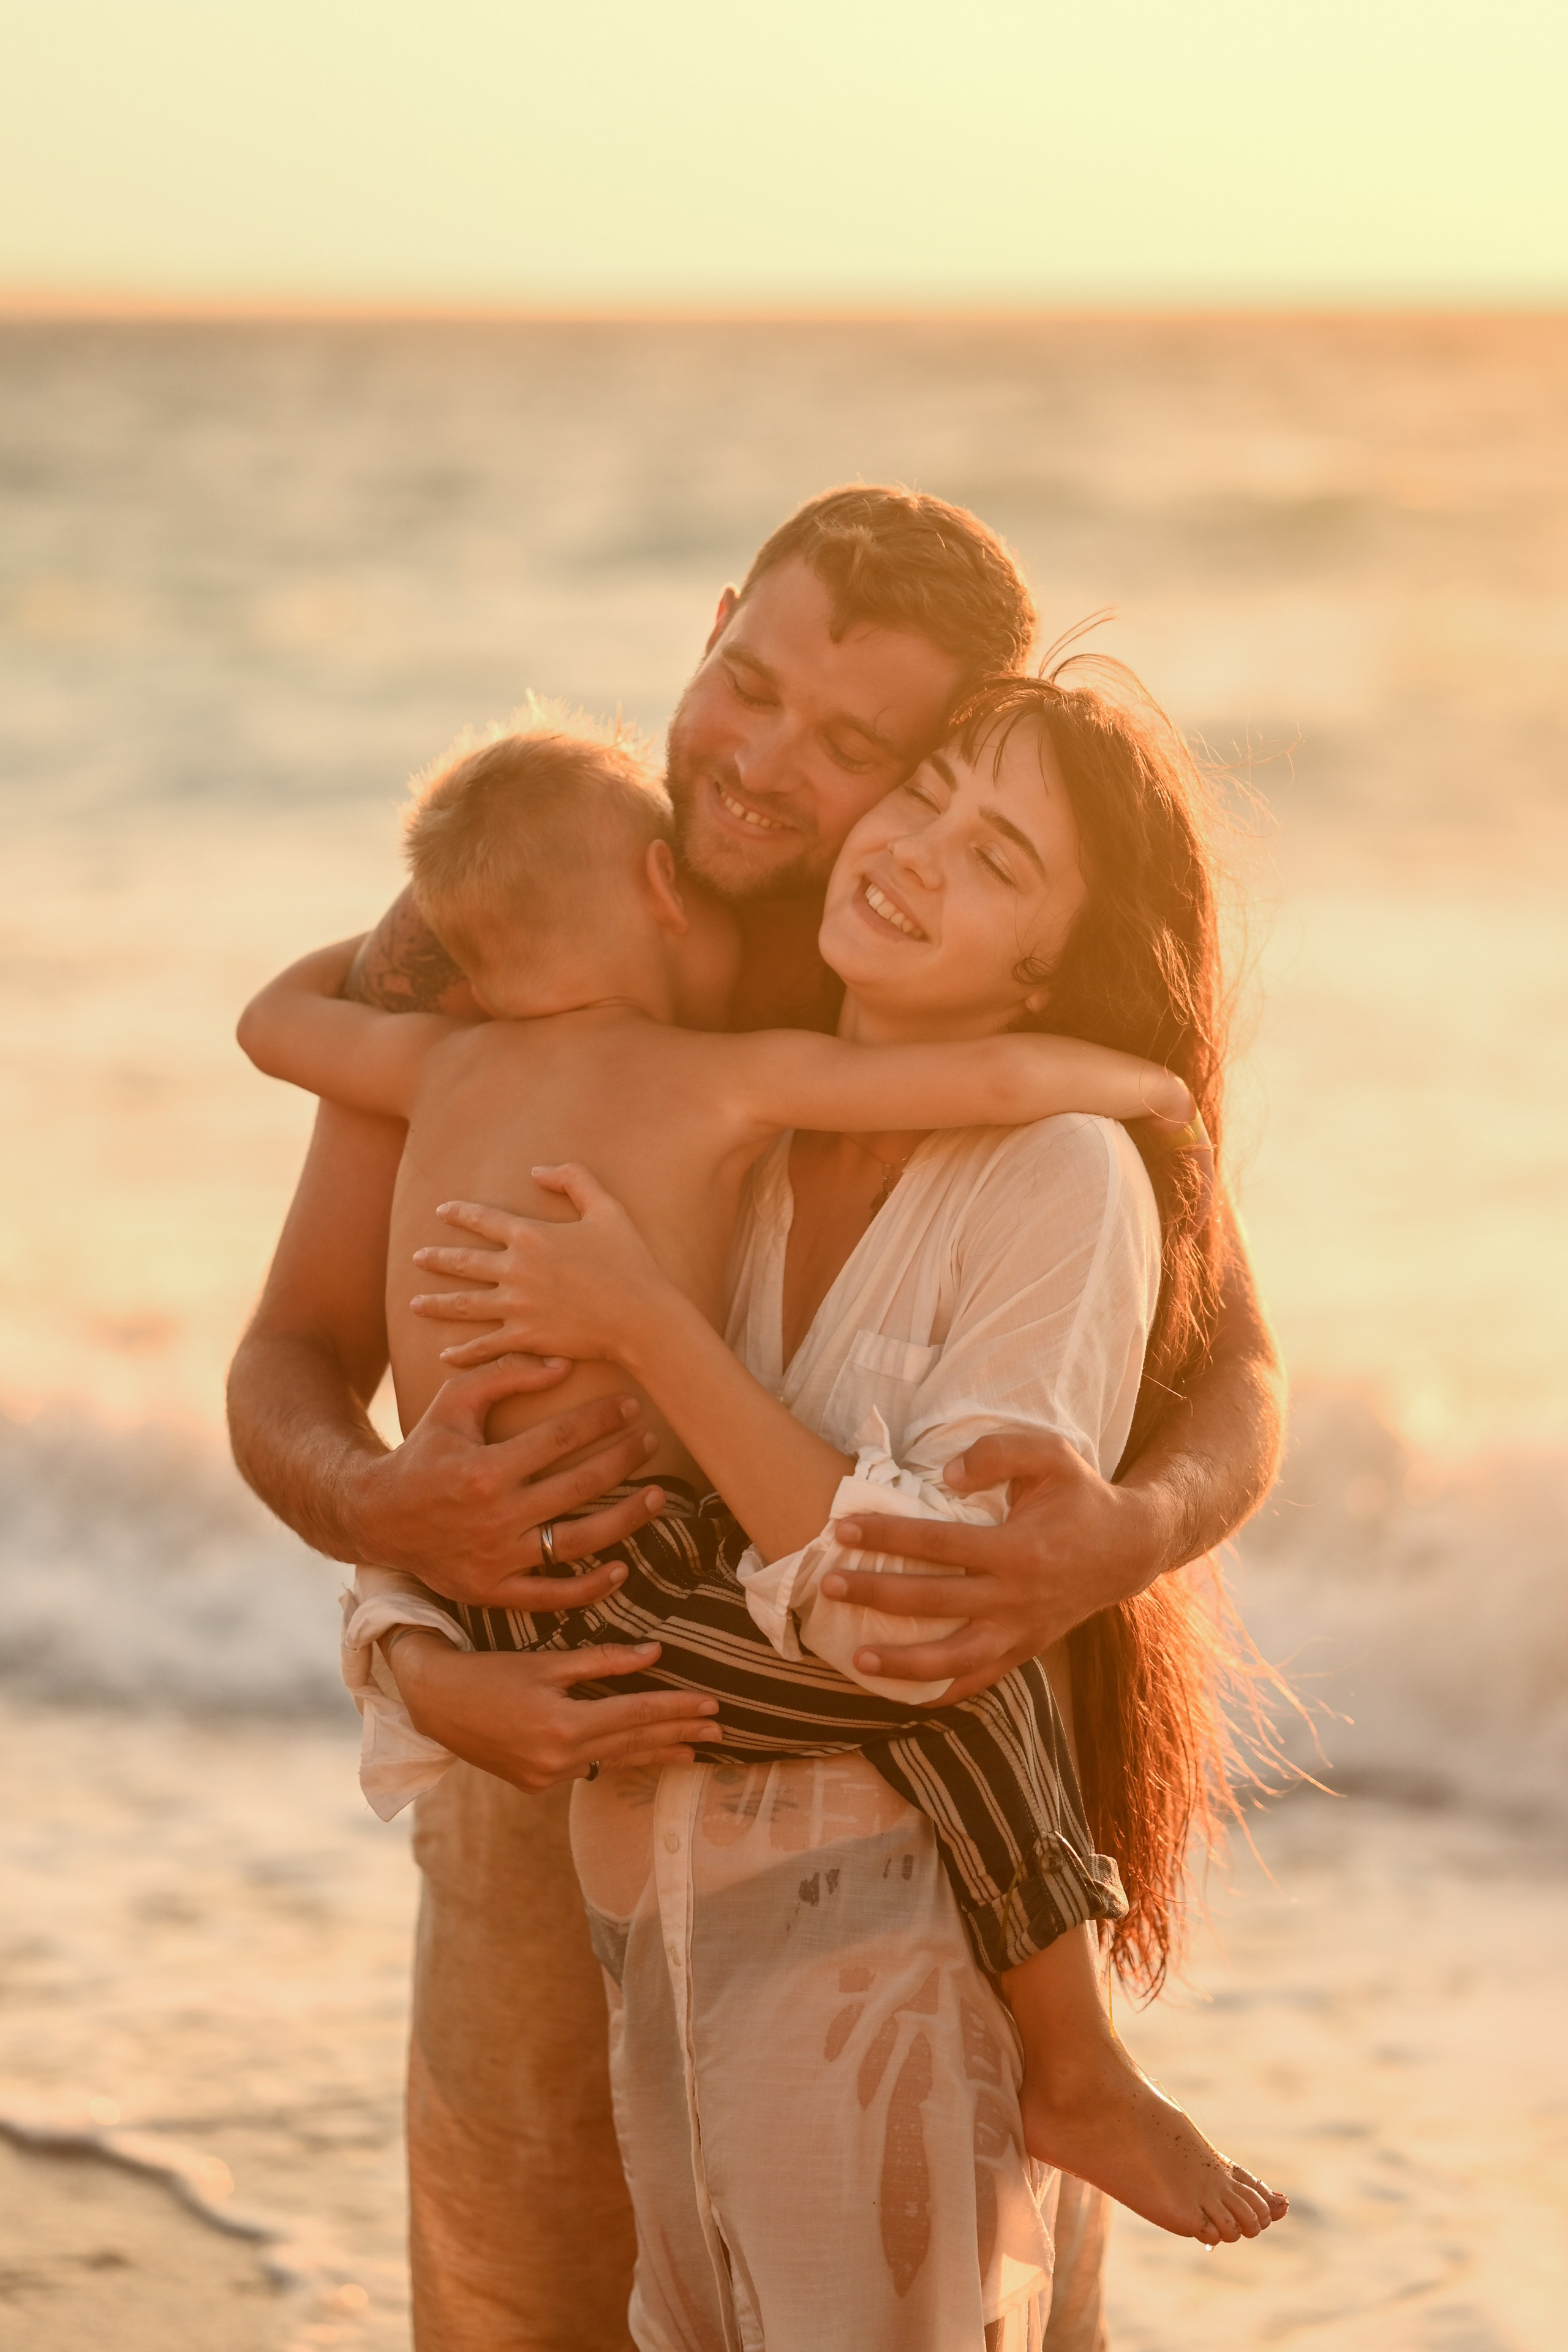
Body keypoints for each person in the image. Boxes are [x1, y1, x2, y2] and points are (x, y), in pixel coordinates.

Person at [226, 486, 1286, 2351]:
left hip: (857, 1831)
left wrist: (1120, 1535)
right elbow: (291, 1362)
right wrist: (398, 1548)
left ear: (947, 751)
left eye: (861, 745)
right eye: (748, 684)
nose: (768, 766)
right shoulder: (509, 916)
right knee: (525, 2307)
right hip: (537, 1776)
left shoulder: (918, 960)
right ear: (712, 626)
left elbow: (1232, 1371)